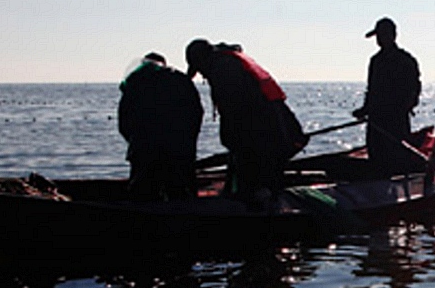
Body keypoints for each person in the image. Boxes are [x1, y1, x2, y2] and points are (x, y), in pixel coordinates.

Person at [185, 39, 307, 207]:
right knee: (259, 170)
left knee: (255, 178)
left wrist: (230, 139)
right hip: (277, 124)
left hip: (268, 129)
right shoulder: (228, 61)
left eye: (199, 70)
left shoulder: (224, 68)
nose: (203, 75)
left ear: (202, 60)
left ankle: (262, 206)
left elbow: (235, 111)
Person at [118, 52, 204, 201]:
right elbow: (196, 113)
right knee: (181, 193)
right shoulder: (180, 80)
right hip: (179, 149)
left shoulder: (136, 81)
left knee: (143, 194)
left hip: (144, 149)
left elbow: (125, 120)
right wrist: (188, 142)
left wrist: (134, 142)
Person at [352, 17, 422, 176]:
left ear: (393, 35)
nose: (379, 39)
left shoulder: (405, 60)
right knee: (376, 156)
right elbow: (371, 90)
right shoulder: (375, 61)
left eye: (382, 35)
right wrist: (364, 109)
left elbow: (414, 88)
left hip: (395, 120)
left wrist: (406, 106)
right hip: (376, 119)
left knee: (397, 157)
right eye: (377, 36)